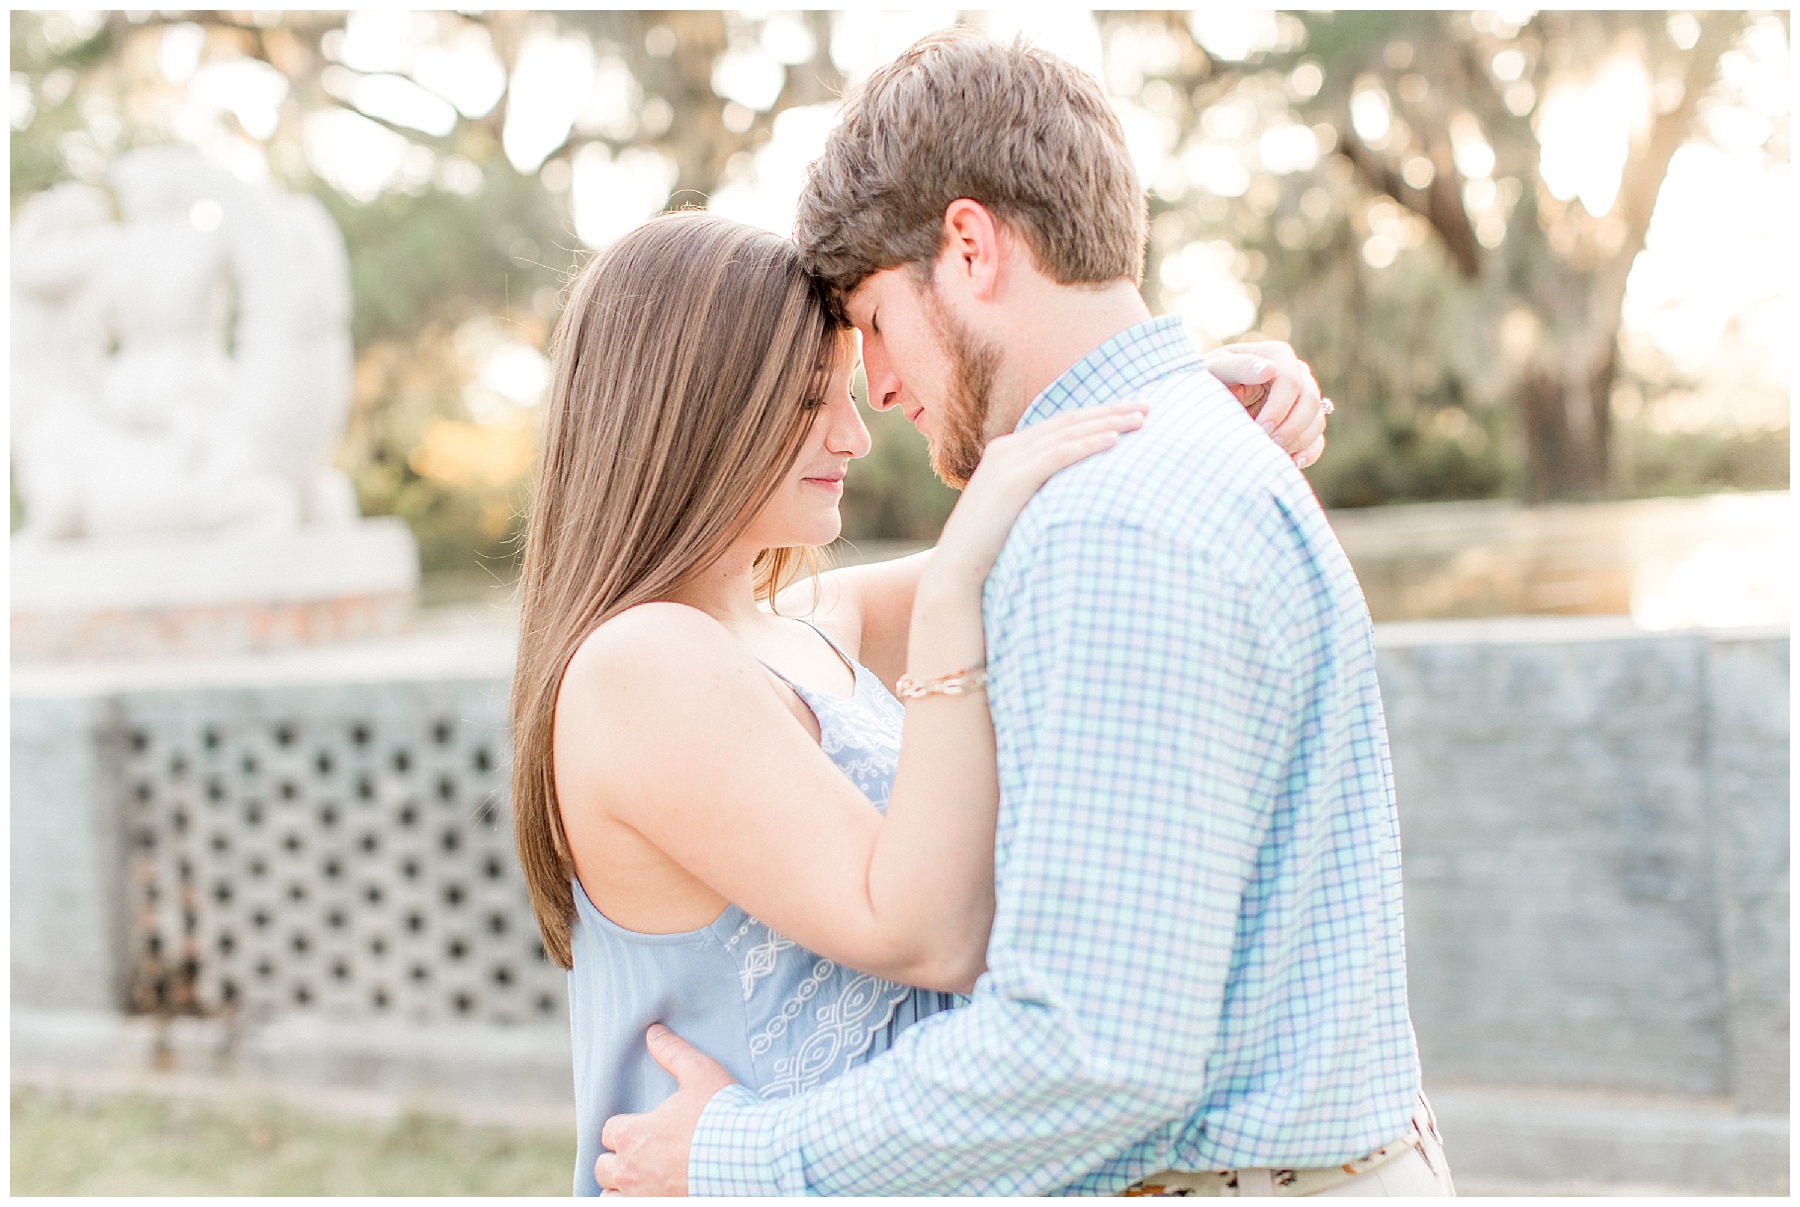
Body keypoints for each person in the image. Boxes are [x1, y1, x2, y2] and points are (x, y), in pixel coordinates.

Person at [593, 30, 1452, 1198]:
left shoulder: (1111, 528)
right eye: (819, 394)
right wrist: (1190, 383)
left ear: (969, 244)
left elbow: (1090, 1053)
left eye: (877, 330)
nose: (876, 399)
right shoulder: (1149, 481)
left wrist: (747, 1151)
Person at [508, 212, 1326, 1196]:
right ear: (693, 409)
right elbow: (926, 931)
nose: (854, 434)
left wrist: (1198, 392)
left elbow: (1069, 503)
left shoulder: (805, 624)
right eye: (808, 401)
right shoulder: (638, 666)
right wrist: (947, 606)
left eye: (848, 392)